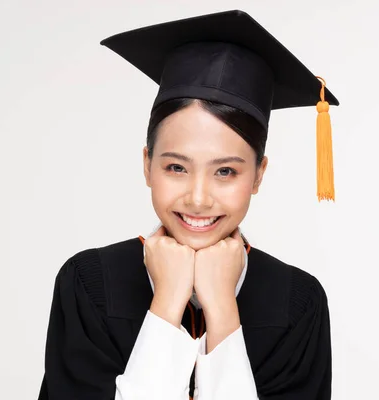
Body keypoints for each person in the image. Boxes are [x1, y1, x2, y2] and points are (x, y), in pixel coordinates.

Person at [38, 9, 338, 400]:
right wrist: (166, 303)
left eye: (226, 172)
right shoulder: (90, 285)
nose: (198, 198)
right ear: (147, 165)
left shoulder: (297, 302)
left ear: (259, 175)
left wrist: (223, 309)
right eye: (176, 167)